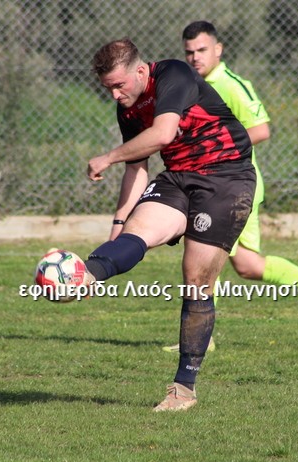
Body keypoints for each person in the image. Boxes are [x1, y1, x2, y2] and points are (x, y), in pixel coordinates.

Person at [82, 39, 256, 411]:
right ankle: (82, 276)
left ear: (140, 71)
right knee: (136, 233)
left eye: (119, 85)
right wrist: (114, 234)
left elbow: (162, 133)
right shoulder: (128, 109)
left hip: (227, 178)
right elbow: (136, 169)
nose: (115, 95)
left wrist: (107, 157)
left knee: (195, 279)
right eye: (108, 88)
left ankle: (183, 390)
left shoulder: (174, 73)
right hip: (179, 177)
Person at [161, 20, 298, 355]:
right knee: (245, 264)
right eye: (189, 52)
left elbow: (261, 129)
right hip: (218, 184)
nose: (195, 57)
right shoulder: (192, 85)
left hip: (232, 186)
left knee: (205, 257)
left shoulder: (230, 84)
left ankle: (201, 336)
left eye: (202, 50)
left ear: (218, 49)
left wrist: (210, 146)